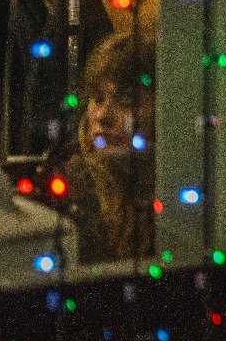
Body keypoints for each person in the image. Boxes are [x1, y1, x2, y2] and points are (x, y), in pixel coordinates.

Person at [55, 32, 157, 264]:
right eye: (97, 98)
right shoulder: (67, 187)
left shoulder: (176, 186)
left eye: (126, 102)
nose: (102, 116)